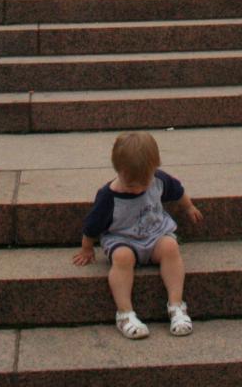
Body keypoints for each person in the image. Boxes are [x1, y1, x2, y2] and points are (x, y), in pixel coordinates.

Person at [73, 130, 203, 340]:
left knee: (171, 247)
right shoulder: (108, 196)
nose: (139, 189)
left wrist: (188, 207)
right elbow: (92, 225)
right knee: (122, 258)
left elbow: (177, 190)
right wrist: (87, 247)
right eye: (131, 185)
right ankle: (125, 313)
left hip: (155, 233)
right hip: (123, 238)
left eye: (144, 183)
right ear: (119, 171)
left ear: (155, 169)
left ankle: (177, 306)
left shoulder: (158, 179)